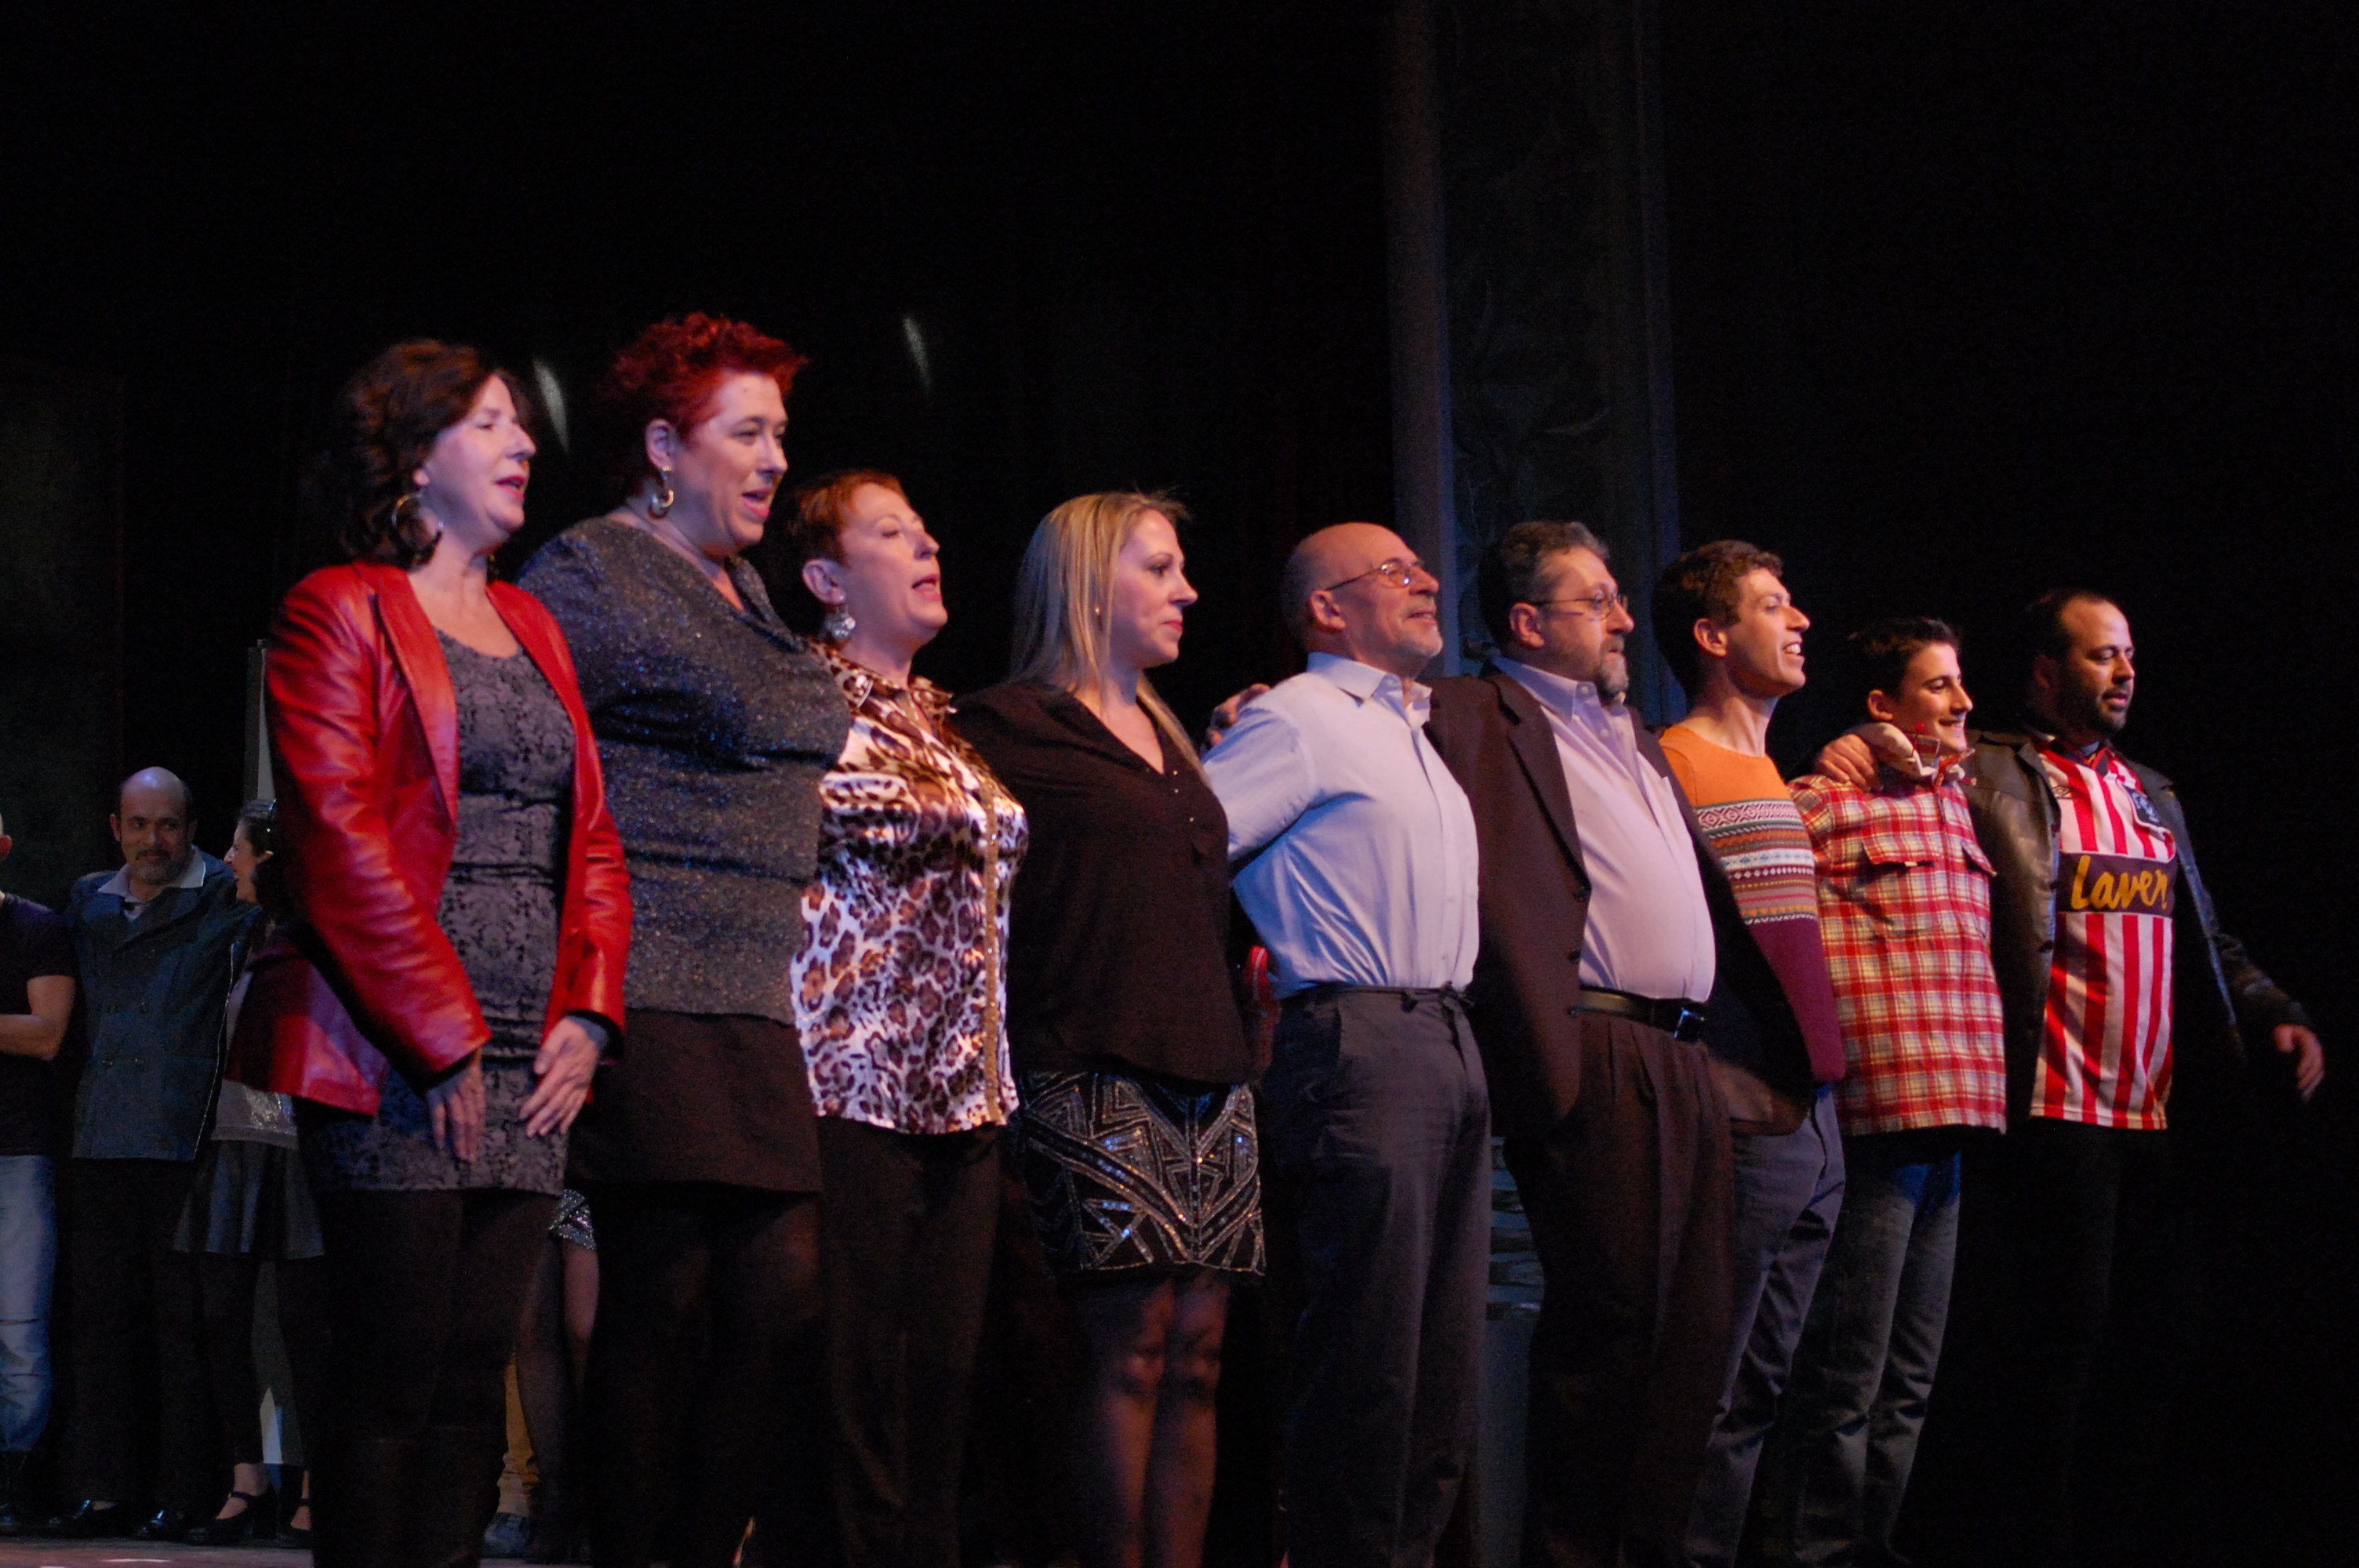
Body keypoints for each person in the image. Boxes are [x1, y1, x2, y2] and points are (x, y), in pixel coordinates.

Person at [1814, 590, 2324, 1566]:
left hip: (2155, 1112)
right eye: (2099, 655)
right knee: (2054, 1356)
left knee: (2158, 1347)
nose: (2123, 672)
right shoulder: (1989, 770)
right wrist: (1853, 742)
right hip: (2053, 1109)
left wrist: (2275, 1007)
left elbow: (2204, 934)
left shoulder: (2148, 792)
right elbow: (1895, 758)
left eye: (2127, 654)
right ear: (2046, 670)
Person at [234, 339, 630, 1568]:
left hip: (531, 1057)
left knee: (472, 1380)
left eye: (521, 423)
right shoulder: (337, 607)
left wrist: (589, 1016)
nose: (524, 444)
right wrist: (444, 1041)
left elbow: (593, 834)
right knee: (391, 1376)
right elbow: (336, 841)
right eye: (491, 422)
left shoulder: (532, 622)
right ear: (415, 458)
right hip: (394, 1053)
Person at [519, 313, 849, 1568]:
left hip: (754, 992)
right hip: (647, 973)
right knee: (660, 1291)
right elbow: (531, 753)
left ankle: (702, 1548)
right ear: (665, 446)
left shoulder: (744, 587)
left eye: (781, 435)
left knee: (777, 1294)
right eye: (747, 434)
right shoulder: (593, 571)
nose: (776, 461)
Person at [1422, 521, 1741, 1568]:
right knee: (1613, 1332)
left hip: (1685, 1057)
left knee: (1691, 1336)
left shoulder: (1631, 732)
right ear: (1526, 623)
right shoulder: (1475, 713)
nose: (1624, 620)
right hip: (1598, 1048)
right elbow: (1369, 726)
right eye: (1596, 600)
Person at [961, 492, 1262, 1568]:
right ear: (1091, 582)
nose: (1187, 591)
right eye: (1159, 568)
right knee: (1128, 1343)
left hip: (1210, 1072)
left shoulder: (1171, 736)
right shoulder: (1008, 726)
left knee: (1200, 1351)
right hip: (1088, 1059)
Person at [1198, 521, 1485, 1568]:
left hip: (1445, 1034)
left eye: (1421, 566)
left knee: (1441, 1363)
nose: (1427, 581)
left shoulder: (1408, 727)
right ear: (1327, 608)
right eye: (1395, 571)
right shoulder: (1298, 719)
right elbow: (1186, 844)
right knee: (1370, 1356)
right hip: (1357, 1038)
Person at [773, 470, 1030, 1568]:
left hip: (964, 1091)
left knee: (941, 1380)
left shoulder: (944, 720)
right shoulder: (798, 699)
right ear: (827, 579)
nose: (928, 546)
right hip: (847, 1081)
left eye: (926, 529)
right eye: (893, 532)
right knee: (852, 1380)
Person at [1761, 619, 2006, 1567]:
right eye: (1937, 685)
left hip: (1955, 1107)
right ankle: (1811, 1548)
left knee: (1910, 1372)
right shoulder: (1819, 803)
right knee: (1844, 1367)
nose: (1961, 701)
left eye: (1959, 682)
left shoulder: (1957, 803)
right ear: (1879, 705)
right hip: (1875, 1114)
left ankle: (1873, 1543)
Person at [1649, 541, 1848, 1568]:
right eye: (1773, 605)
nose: (1800, 620)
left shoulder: (1774, 770)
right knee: (1711, 1383)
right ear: (1713, 635)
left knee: (1766, 1384)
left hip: (1814, 1109)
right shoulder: (1672, 764)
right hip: (1744, 1108)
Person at [56, 768, 264, 1541]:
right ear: (116, 827)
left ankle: (184, 1489)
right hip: (101, 1132)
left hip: (184, 1132)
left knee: (182, 1324)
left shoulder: (224, 897)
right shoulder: (89, 900)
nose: (153, 839)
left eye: (168, 824)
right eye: (139, 824)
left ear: (191, 827)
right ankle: (103, 1486)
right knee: (100, 1319)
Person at [176, 800, 332, 1548]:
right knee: (220, 1315)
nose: (228, 860)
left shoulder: (317, 938)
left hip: (299, 1150)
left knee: (307, 1329)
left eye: (239, 850)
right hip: (235, 1142)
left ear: (268, 861)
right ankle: (248, 1479)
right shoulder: (241, 933)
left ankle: (318, 1487)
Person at [0, 809, 73, 1535]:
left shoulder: (36, 928)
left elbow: (47, 1032)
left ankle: (18, 1481)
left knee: (18, 1330)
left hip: (17, 1150)